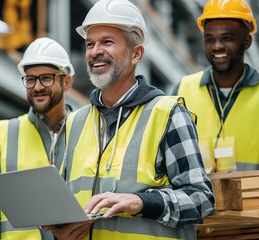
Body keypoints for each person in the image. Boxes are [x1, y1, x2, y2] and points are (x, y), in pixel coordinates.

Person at [42, 0, 215, 239]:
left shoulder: (168, 114)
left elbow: (201, 199)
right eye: (90, 44)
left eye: (107, 42)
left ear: (136, 54)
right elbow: (64, 202)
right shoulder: (74, 122)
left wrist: (141, 202)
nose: (95, 51)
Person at [0, 37, 75, 240]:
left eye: (46, 78)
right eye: (30, 79)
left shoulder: (87, 132)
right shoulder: (5, 134)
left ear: (67, 82)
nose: (37, 87)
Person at [172, 0, 259, 173]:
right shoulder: (183, 89)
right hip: (202, 199)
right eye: (210, 39)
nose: (217, 46)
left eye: (227, 38)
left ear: (247, 42)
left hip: (257, 198)